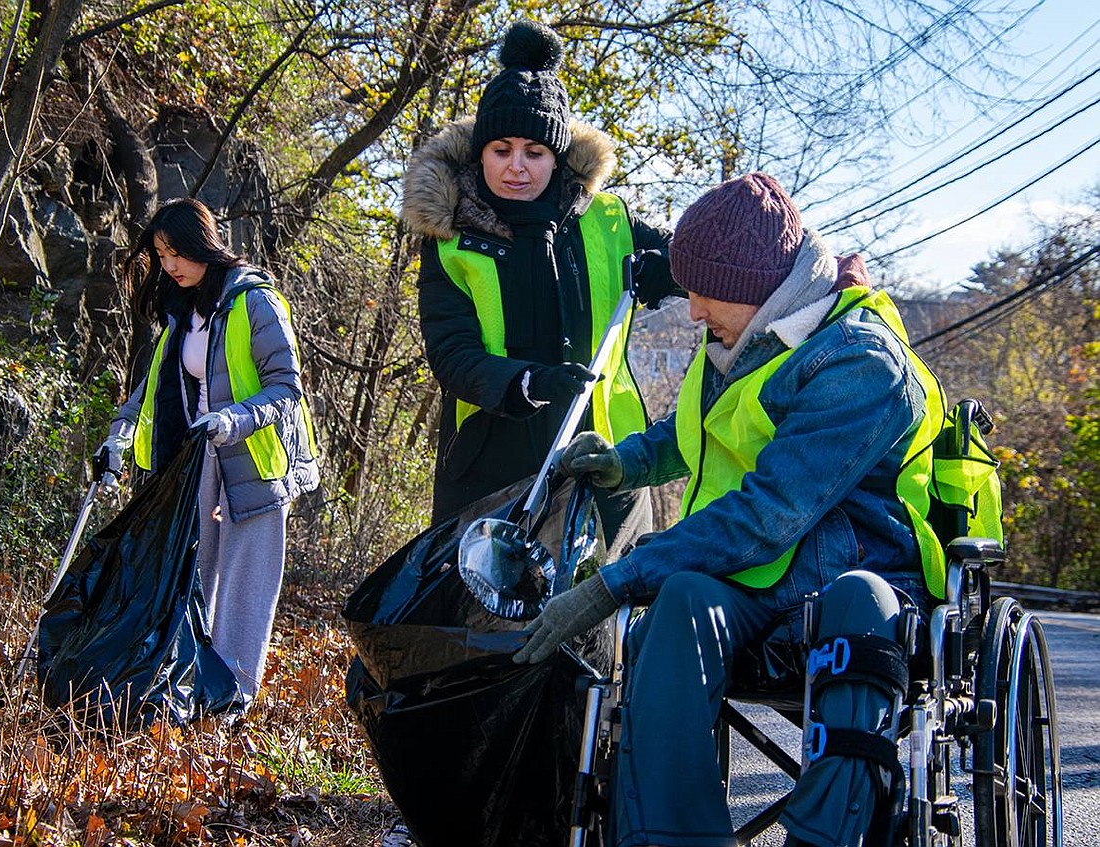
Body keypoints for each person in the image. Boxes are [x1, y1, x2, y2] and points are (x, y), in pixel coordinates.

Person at [513, 173, 950, 847]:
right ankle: (673, 836)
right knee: (681, 596)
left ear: (760, 287)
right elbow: (701, 428)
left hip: (852, 578)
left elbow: (766, 513)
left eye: (702, 292)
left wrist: (614, 582)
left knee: (859, 604)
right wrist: (630, 459)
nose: (690, 311)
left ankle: (831, 836)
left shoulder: (861, 363)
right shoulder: (739, 337)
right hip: (760, 576)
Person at [400, 19, 680, 553]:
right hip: (491, 470)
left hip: (603, 459)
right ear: (480, 151)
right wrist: (531, 382)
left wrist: (663, 267)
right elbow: (452, 355)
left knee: (600, 625)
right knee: (491, 628)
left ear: (557, 156)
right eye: (501, 149)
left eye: (534, 152)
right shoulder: (449, 237)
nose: (517, 168)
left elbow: (700, 261)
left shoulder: (608, 219)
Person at [94, 198, 319, 708]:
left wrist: (230, 421)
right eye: (160, 254)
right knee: (191, 573)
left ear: (202, 243)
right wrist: (118, 439)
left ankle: (231, 702)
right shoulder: (180, 313)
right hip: (196, 458)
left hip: (256, 464)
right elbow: (150, 394)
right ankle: (189, 687)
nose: (168, 265)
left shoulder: (256, 303)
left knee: (244, 588)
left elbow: (287, 388)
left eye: (175, 252)